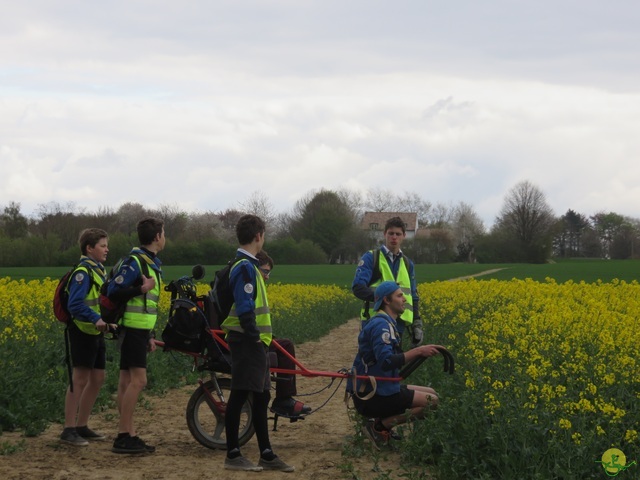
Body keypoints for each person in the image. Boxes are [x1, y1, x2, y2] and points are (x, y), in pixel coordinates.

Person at [221, 214, 294, 472]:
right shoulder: (244, 267)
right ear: (258, 236)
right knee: (240, 394)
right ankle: (233, 454)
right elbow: (244, 308)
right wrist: (254, 337)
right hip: (247, 342)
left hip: (256, 343)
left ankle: (267, 454)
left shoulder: (249, 265)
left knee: (262, 397)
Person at [347, 281, 442, 450]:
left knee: (432, 393)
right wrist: (419, 351)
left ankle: (380, 423)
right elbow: (387, 361)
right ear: (387, 301)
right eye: (399, 295)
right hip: (372, 395)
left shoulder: (386, 322)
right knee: (432, 402)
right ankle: (380, 426)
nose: (405, 299)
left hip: (382, 386)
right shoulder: (381, 325)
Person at [107, 217, 165, 454]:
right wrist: (141, 289)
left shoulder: (150, 262)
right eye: (164, 233)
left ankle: (129, 433)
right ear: (157, 237)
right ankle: (123, 436)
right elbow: (113, 292)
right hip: (132, 329)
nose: (165, 237)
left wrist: (150, 334)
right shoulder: (135, 262)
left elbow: (146, 304)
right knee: (139, 381)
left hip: (140, 330)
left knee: (125, 382)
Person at [60, 228, 111, 446]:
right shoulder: (83, 272)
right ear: (89, 248)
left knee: (98, 379)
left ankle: (82, 425)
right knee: (79, 379)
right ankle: (68, 429)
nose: (107, 249)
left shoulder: (99, 270)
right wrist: (95, 318)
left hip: (95, 332)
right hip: (82, 330)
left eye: (106, 245)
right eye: (102, 245)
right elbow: (75, 305)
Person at [352, 216, 423, 348]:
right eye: (390, 233)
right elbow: (357, 287)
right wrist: (384, 299)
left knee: (393, 364)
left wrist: (417, 322)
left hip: (400, 323)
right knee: (372, 364)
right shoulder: (371, 258)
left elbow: (413, 295)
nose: (394, 237)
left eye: (398, 234)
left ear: (404, 236)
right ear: (384, 234)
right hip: (374, 321)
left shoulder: (407, 264)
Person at [256, 250, 311, 417]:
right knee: (285, 345)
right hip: (253, 341)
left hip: (256, 338)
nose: (267, 276)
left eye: (268, 273)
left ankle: (285, 397)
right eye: (265, 271)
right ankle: (283, 399)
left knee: (284, 344)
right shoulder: (250, 286)